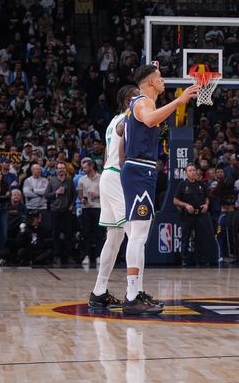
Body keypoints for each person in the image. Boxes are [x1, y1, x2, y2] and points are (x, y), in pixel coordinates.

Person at [121, 65, 198, 315]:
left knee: (139, 234)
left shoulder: (143, 102)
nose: (164, 81)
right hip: (138, 170)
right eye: (161, 78)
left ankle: (136, 291)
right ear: (152, 82)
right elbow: (150, 119)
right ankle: (132, 296)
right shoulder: (143, 102)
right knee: (138, 235)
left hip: (141, 171)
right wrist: (180, 100)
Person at [88, 85, 138, 309]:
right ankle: (134, 293)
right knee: (134, 234)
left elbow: (108, 153)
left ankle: (99, 291)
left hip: (108, 174)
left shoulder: (112, 120)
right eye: (138, 96)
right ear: (129, 100)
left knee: (114, 238)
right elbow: (121, 137)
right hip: (117, 176)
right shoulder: (125, 118)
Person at [173, 164, 212, 267]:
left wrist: (206, 205)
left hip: (200, 215)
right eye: (190, 171)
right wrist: (186, 205)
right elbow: (175, 200)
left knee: (200, 238)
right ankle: (185, 260)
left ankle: (201, 260)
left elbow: (207, 197)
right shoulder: (182, 185)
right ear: (186, 173)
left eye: (194, 170)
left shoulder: (201, 184)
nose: (192, 172)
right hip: (188, 215)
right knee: (185, 238)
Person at [45, 162, 75, 265]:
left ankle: (69, 256)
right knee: (56, 235)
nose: (61, 170)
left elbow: (74, 194)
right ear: (56, 170)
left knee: (69, 234)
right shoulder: (52, 181)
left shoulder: (69, 181)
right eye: (59, 168)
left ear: (65, 170)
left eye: (63, 168)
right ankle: (56, 256)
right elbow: (46, 195)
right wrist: (56, 193)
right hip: (55, 211)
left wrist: (72, 205)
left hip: (67, 211)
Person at [78, 157, 102, 267]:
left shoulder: (101, 178)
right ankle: (86, 256)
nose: (83, 169)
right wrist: (82, 199)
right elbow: (80, 193)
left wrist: (98, 195)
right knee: (85, 233)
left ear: (91, 167)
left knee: (98, 233)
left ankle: (99, 256)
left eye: (85, 167)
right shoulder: (82, 179)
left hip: (98, 207)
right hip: (86, 208)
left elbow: (106, 193)